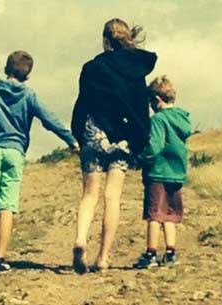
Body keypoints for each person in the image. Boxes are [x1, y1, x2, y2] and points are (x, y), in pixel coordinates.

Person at [0, 50, 79, 276]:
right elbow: (49, 119)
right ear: (27, 74)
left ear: (6, 68)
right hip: (14, 152)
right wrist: (71, 140)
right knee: (7, 206)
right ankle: (0, 259)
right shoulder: (29, 96)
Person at [71, 18, 157, 274]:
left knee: (89, 194)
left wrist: (78, 134)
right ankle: (103, 257)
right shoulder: (136, 70)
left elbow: (82, 105)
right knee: (113, 197)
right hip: (122, 139)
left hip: (94, 134)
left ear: (105, 39)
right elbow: (140, 109)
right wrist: (140, 140)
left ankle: (80, 240)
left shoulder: (91, 68)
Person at [133, 75, 192, 269]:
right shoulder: (182, 118)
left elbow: (154, 147)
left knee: (154, 215)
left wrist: (140, 158)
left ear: (156, 100)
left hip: (157, 173)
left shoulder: (158, 120)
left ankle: (150, 253)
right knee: (170, 215)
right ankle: (170, 253)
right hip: (176, 174)